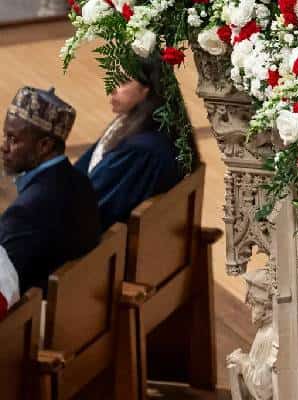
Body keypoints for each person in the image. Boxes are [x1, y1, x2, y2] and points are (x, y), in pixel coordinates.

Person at [0, 87, 100, 319]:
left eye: (13, 140)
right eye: (5, 136)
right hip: (79, 310)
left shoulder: (26, 212)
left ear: (44, 146)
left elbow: (6, 286)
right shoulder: (80, 183)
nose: (4, 146)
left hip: (32, 327)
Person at [74, 59, 185, 232]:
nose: (111, 88)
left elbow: (90, 207)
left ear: (147, 91)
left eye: (123, 81)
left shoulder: (140, 150)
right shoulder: (138, 124)